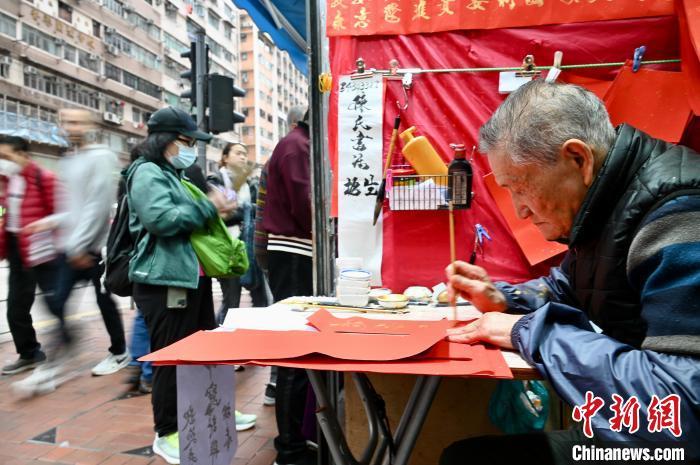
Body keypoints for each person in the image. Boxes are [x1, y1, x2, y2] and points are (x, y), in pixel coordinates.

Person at [441, 80, 700, 464]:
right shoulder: (608, 202)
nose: (520, 212)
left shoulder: (678, 215)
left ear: (578, 159)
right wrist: (505, 299)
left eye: (521, 188)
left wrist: (527, 331)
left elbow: (677, 408)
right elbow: (572, 284)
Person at [126, 107, 253, 464]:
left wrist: (216, 209)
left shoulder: (172, 173)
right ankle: (166, 432)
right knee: (172, 359)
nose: (190, 149)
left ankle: (216, 412)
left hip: (189, 279)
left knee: (203, 352)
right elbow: (162, 220)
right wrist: (210, 207)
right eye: (185, 141)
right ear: (165, 140)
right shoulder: (147, 172)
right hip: (165, 282)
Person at [13, 108, 129, 396]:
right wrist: (47, 223)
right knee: (57, 303)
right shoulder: (69, 160)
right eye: (65, 121)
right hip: (71, 247)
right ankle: (58, 359)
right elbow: (71, 208)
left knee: (104, 301)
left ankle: (118, 351)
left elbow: (98, 205)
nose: (70, 126)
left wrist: (81, 245)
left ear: (90, 125)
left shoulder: (102, 157)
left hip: (93, 248)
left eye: (76, 121)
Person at [263, 109, 316, 465]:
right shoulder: (296, 147)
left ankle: (296, 440)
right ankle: (290, 447)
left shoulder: (298, 144)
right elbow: (306, 205)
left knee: (298, 352)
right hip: (293, 253)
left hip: (293, 252)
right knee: (296, 354)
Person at [254, 105, 306, 407]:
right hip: (288, 250)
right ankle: (278, 385)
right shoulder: (292, 150)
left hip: (276, 250)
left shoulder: (285, 151)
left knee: (288, 324)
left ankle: (277, 384)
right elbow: (300, 208)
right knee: (292, 330)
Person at [0, 135, 58, 374]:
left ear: (23, 155)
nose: (2, 161)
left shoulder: (42, 178)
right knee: (16, 307)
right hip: (18, 251)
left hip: (43, 251)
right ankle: (30, 353)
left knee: (57, 305)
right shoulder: (5, 182)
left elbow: (61, 214)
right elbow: (5, 217)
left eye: (6, 156)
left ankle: (64, 348)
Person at [208, 142, 269, 324]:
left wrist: (243, 209)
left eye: (245, 153)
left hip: (249, 246)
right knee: (231, 301)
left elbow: (259, 210)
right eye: (238, 153)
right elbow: (219, 212)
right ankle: (221, 337)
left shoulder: (250, 184)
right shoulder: (215, 180)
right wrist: (244, 209)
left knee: (261, 298)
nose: (243, 157)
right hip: (227, 248)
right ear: (225, 157)